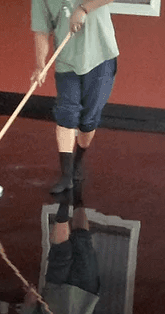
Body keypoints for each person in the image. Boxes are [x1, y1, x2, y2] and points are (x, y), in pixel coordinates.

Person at [13, 185, 100, 314]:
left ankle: (63, 200)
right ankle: (77, 195)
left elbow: (29, 308)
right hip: (83, 292)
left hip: (55, 286)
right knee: (82, 241)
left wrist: (31, 295)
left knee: (60, 250)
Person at [31, 0, 118, 194]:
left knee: (88, 120)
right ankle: (66, 175)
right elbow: (41, 30)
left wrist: (83, 8)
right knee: (66, 113)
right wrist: (40, 65)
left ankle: (78, 160)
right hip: (67, 61)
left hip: (100, 57)